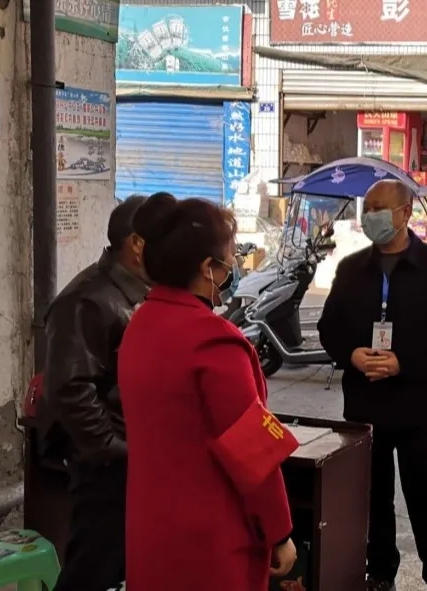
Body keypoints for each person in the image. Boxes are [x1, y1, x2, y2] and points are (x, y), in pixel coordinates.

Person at [118, 193, 298, 590]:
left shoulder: (141, 323)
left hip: (151, 528)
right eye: (230, 259)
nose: (234, 267)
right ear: (207, 268)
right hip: (211, 538)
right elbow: (251, 450)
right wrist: (279, 531)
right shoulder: (214, 342)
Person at [318, 179, 427, 591]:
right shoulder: (351, 269)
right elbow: (330, 327)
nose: (371, 217)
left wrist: (405, 361)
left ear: (405, 213)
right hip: (365, 409)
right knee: (372, 501)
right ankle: (380, 573)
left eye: (380, 208)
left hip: (418, 407)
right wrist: (351, 354)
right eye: (367, 209)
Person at [36, 195, 149, 591]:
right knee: (94, 568)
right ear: (137, 244)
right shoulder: (88, 299)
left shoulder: (135, 293)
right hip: (105, 463)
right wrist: (113, 450)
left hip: (126, 454)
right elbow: (71, 389)